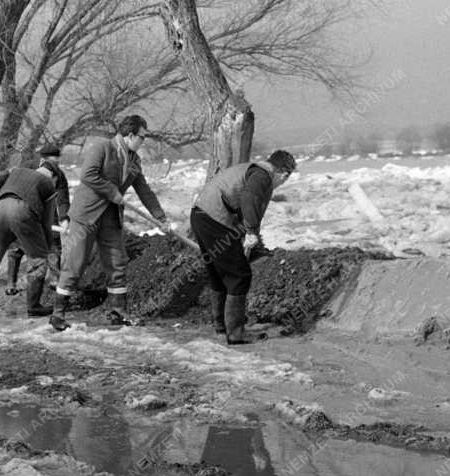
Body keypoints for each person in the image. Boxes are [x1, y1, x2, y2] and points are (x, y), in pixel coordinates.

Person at [50, 114, 173, 331]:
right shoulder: (102, 148)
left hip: (111, 218)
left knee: (117, 263)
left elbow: (144, 190)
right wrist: (113, 192)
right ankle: (58, 315)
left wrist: (160, 217)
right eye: (142, 137)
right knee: (75, 263)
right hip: (86, 215)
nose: (143, 141)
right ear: (131, 135)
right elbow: (88, 175)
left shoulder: (134, 160)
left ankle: (118, 312)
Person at [189, 149, 296, 345]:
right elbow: (249, 201)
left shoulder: (254, 170)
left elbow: (247, 209)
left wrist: (255, 239)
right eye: (285, 179)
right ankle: (236, 333)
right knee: (239, 275)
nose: (282, 183)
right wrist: (251, 232)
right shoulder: (263, 177)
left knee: (218, 273)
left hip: (201, 215)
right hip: (214, 219)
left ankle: (222, 326)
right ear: (284, 174)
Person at [0, 162, 59, 319]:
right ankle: (34, 307)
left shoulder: (16, 171)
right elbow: (46, 224)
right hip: (23, 211)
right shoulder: (48, 185)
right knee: (39, 261)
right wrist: (45, 249)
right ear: (53, 177)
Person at [4, 143, 70, 296]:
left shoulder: (59, 175)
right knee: (16, 246)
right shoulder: (26, 167)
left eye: (57, 161)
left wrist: (65, 218)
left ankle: (54, 279)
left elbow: (62, 198)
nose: (56, 164)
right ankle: (11, 283)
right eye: (53, 161)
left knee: (53, 243)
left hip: (47, 209)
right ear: (43, 159)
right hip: (22, 208)